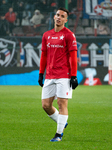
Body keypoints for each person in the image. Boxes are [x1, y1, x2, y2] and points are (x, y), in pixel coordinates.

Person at [38, 7, 78, 142]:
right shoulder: (46, 35)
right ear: (54, 17)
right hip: (49, 75)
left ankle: (59, 134)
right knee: (46, 105)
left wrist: (73, 75)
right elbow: (44, 55)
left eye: (62, 16)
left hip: (64, 75)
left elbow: (73, 56)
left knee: (62, 103)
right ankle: (62, 122)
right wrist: (41, 73)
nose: (59, 17)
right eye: (57, 15)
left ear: (66, 20)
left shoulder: (69, 35)